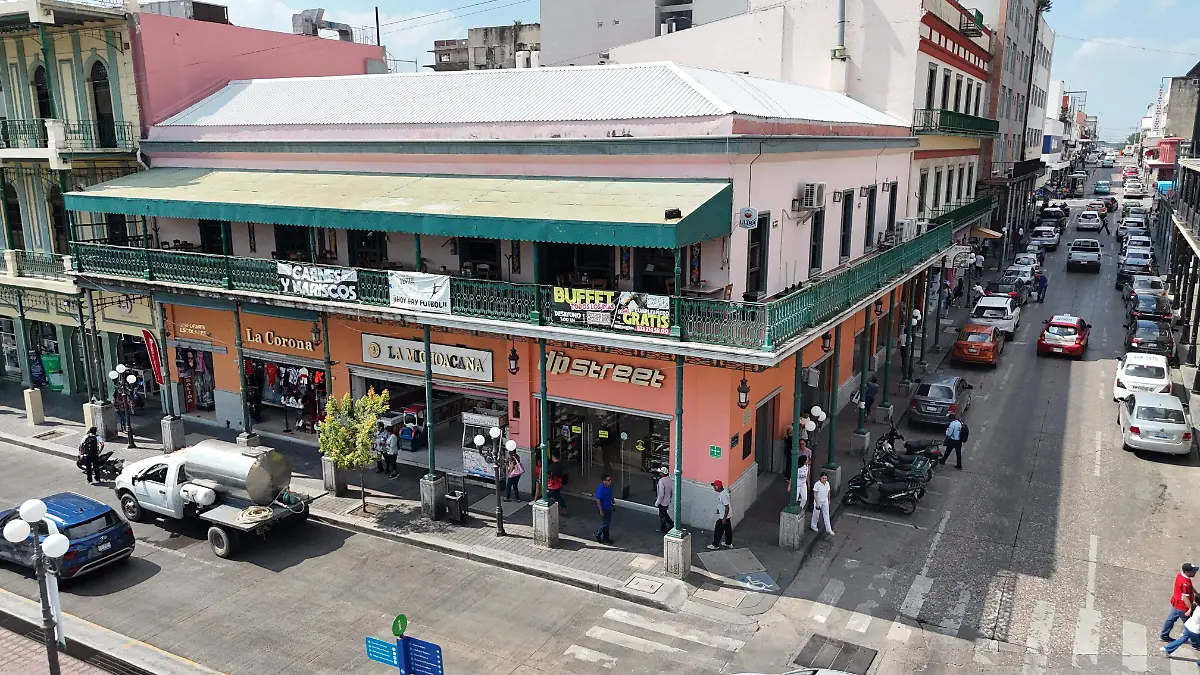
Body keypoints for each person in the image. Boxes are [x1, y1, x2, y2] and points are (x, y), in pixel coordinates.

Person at [1162, 563, 1198, 641]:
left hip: (1176, 603)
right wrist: (1191, 609)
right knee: (1191, 624)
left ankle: (1164, 635)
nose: (1195, 572)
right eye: (1193, 571)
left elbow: (1190, 587)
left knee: (1170, 619)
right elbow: (1185, 597)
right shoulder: (1185, 583)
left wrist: (1196, 592)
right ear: (1186, 572)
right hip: (1182, 607)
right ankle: (1195, 643)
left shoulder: (1180, 575)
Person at [708, 480, 732, 550]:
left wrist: (724, 518)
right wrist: (719, 509)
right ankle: (728, 543)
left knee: (718, 530)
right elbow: (723, 505)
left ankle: (715, 545)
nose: (714, 488)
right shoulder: (723, 492)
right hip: (727, 515)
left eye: (714, 486)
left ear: (718, 487)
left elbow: (727, 507)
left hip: (723, 516)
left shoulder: (723, 495)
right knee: (728, 530)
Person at [593, 473, 615, 544]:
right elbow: (598, 500)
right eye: (608, 480)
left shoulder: (610, 486)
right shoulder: (600, 489)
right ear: (604, 481)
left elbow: (611, 494)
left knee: (607, 523)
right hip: (603, 509)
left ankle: (606, 537)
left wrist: (613, 502)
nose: (610, 481)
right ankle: (597, 533)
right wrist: (601, 510)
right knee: (606, 522)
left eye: (610, 479)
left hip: (608, 507)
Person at [654, 467, 674, 533]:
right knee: (665, 513)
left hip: (662, 501)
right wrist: (670, 498)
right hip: (667, 500)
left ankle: (663, 529)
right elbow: (671, 491)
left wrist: (657, 503)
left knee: (662, 515)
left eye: (660, 472)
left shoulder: (661, 481)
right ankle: (671, 523)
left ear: (662, 473)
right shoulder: (669, 480)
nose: (659, 473)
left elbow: (661, 494)